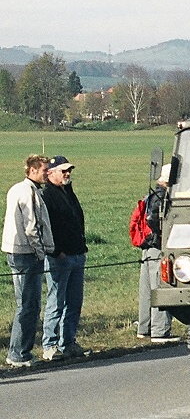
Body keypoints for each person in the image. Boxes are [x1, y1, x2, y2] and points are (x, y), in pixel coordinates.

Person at [2, 155, 55, 367]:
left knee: (25, 303)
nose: (47, 173)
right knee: (28, 304)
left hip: (15, 251)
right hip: (26, 253)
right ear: (33, 170)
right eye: (44, 170)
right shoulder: (29, 192)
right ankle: (18, 353)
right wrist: (40, 252)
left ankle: (21, 351)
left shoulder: (17, 189)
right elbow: (32, 226)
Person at [41, 155, 88, 359]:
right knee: (56, 301)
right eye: (63, 171)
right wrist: (56, 250)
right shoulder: (47, 196)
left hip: (77, 252)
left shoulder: (68, 191)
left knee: (74, 302)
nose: (67, 174)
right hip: (60, 256)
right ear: (51, 172)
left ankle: (68, 341)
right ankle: (49, 345)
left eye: (69, 170)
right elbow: (47, 226)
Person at [137, 164, 179, 343]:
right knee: (160, 287)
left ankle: (144, 328)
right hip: (157, 247)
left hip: (148, 247)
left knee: (146, 290)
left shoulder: (151, 195)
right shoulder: (163, 196)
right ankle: (160, 331)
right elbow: (154, 219)